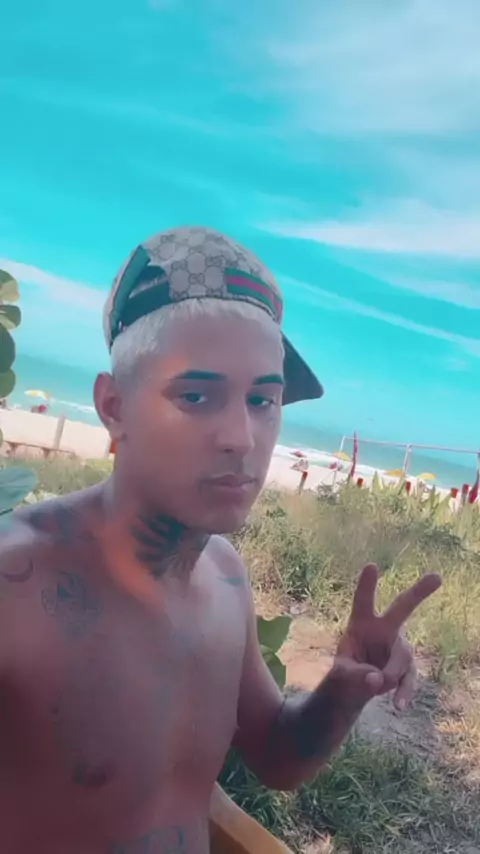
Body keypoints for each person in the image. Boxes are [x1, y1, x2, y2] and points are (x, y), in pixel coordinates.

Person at [0, 226, 441, 854]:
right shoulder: (15, 588)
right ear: (114, 406)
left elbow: (278, 759)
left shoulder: (224, 575)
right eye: (197, 395)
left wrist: (342, 692)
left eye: (263, 400)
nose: (241, 437)